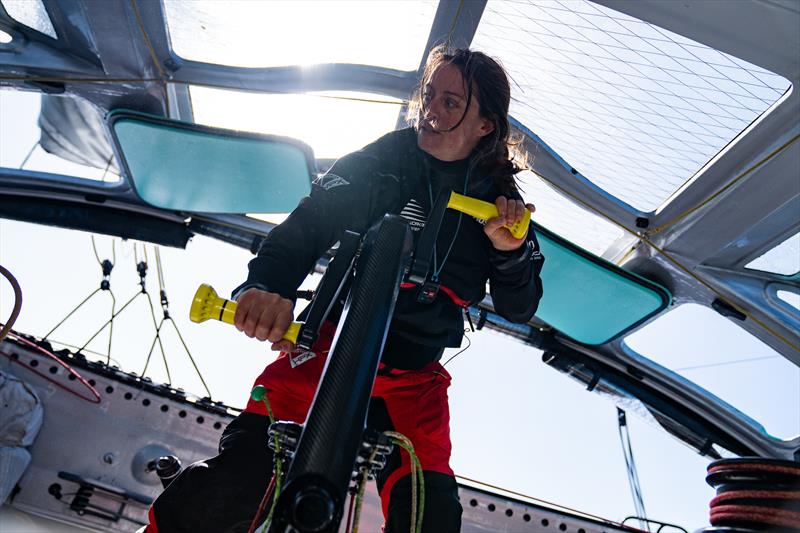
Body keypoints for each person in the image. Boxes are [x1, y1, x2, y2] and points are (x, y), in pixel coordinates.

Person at [145, 45, 544, 533]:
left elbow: (519, 305)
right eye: (430, 96)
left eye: (451, 103)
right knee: (233, 487)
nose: (431, 111)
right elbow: (312, 222)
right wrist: (267, 285)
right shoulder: (382, 159)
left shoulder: (503, 204)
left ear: (485, 124)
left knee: (430, 519)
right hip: (327, 350)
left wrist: (510, 251)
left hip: (413, 382)